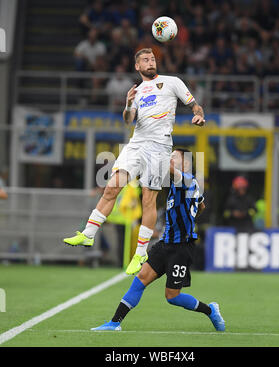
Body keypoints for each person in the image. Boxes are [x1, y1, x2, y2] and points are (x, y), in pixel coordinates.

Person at [63, 48, 205, 276]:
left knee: (148, 199)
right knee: (111, 187)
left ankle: (140, 253)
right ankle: (88, 234)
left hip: (160, 146)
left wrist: (199, 115)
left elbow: (195, 105)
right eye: (145, 60)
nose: (151, 62)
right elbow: (129, 120)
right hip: (136, 144)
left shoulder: (172, 82)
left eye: (153, 59)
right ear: (137, 67)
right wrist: (128, 104)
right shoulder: (136, 91)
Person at [90, 148, 225, 332]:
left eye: (174, 156)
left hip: (181, 248)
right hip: (165, 244)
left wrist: (147, 150)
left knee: (172, 297)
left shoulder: (184, 179)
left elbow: (169, 169)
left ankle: (210, 310)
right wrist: (189, 215)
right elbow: (201, 204)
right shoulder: (190, 184)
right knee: (140, 279)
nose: (170, 158)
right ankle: (114, 323)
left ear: (185, 162)